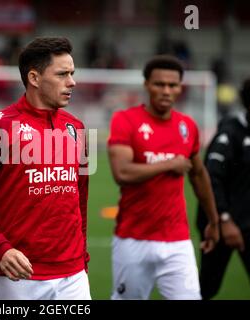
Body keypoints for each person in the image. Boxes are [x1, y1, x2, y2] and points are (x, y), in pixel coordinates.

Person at [0, 37, 91, 300]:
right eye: (62, 74)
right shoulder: (0, 128)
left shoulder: (75, 128)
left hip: (73, 274)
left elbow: (80, 198)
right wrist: (0, 249)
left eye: (72, 73)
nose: (72, 82)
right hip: (20, 273)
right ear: (34, 78)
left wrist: (82, 258)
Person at [107, 55, 220, 300]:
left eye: (173, 85)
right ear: (147, 84)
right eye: (159, 84)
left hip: (177, 240)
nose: (167, 91)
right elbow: (122, 172)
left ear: (180, 87)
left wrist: (213, 220)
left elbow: (199, 174)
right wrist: (169, 163)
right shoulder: (125, 120)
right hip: (133, 239)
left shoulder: (187, 126)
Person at [197, 75, 250, 300]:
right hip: (218, 224)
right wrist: (224, 220)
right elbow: (210, 177)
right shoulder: (229, 133)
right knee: (207, 288)